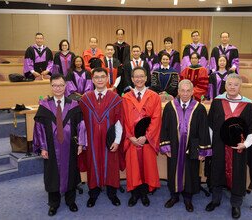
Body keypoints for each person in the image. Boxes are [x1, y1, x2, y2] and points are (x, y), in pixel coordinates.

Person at [205, 73, 252, 219]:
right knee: (217, 171)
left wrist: (245, 144)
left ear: (240, 86)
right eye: (229, 84)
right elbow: (210, 125)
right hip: (219, 146)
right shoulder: (217, 102)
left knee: (238, 175)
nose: (232, 87)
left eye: (236, 84)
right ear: (225, 85)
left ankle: (236, 204)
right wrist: (211, 144)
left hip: (238, 148)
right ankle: (215, 200)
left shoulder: (248, 105)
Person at [33, 74, 86, 216]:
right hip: (51, 147)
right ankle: (54, 203)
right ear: (51, 86)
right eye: (55, 85)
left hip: (70, 147)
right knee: (52, 174)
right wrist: (43, 147)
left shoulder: (73, 105)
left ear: (65, 86)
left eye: (61, 85)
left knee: (71, 172)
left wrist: (81, 143)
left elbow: (81, 124)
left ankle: (71, 201)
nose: (58, 88)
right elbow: (39, 127)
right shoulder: (45, 106)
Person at [160, 79, 211, 212]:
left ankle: (188, 199)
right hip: (174, 147)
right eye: (182, 90)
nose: (185, 93)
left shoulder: (199, 108)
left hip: (191, 147)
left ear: (193, 92)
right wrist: (166, 147)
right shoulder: (170, 107)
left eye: (188, 91)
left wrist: (202, 151)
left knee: (191, 171)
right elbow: (164, 128)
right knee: (173, 170)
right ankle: (174, 196)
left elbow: (204, 130)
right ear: (178, 91)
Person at [79, 67, 124, 208]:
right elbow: (81, 123)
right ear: (92, 80)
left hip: (109, 140)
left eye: (102, 77)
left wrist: (117, 141)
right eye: (96, 77)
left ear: (107, 79)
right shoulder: (85, 99)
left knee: (111, 164)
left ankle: (112, 193)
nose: (99, 79)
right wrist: (82, 142)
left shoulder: (115, 99)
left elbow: (119, 122)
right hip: (91, 141)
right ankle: (93, 193)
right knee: (93, 164)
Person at [122, 66, 162, 207]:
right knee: (133, 166)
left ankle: (144, 193)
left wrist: (146, 136)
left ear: (146, 78)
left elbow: (157, 119)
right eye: (136, 77)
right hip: (132, 139)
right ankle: (134, 194)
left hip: (146, 140)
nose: (139, 79)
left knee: (147, 165)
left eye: (141, 76)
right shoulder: (125, 98)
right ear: (132, 79)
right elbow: (123, 119)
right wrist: (130, 136)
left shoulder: (154, 96)